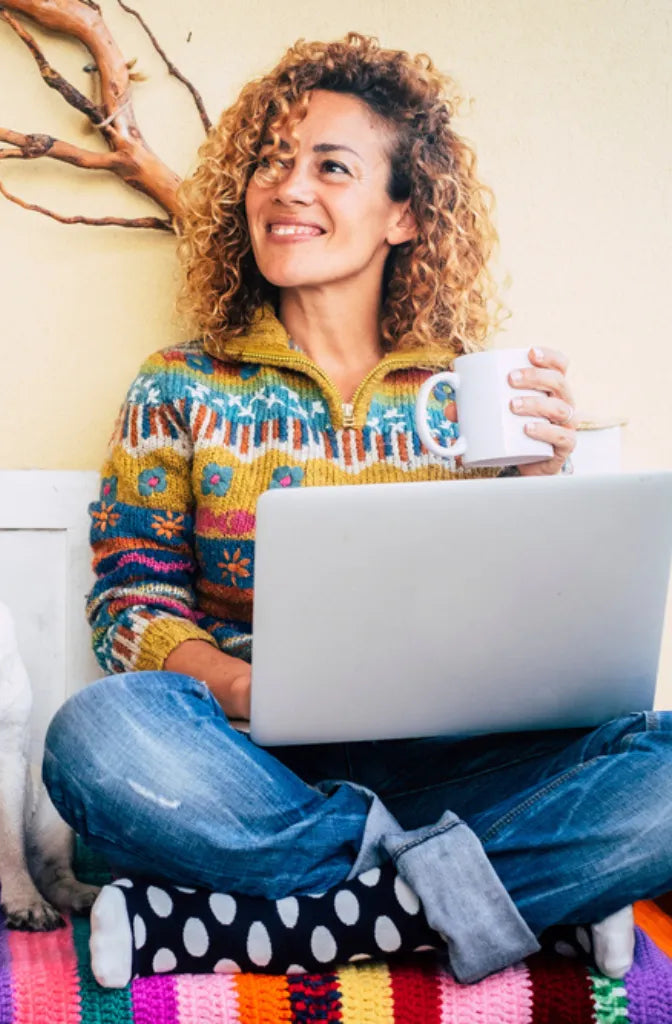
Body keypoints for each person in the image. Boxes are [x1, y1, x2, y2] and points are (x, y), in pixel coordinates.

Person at [42, 33, 672, 988]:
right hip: (251, 769)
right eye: (271, 163)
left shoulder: (472, 393)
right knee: (96, 739)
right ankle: (520, 893)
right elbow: (131, 605)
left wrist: (543, 488)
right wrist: (245, 687)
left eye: (331, 167)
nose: (287, 187)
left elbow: (520, 623)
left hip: (453, 760)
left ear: (406, 216)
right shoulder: (181, 384)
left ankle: (264, 920)